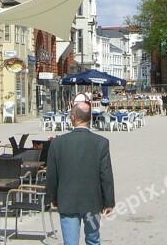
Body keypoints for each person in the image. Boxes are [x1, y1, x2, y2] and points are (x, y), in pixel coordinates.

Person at [46, 103, 115, 245]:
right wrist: (109, 202)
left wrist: (53, 197)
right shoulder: (101, 143)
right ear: (90, 118)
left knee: (70, 242)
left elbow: (51, 175)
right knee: (93, 240)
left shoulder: (57, 143)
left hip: (67, 200)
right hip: (93, 201)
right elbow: (106, 174)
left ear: (72, 117)